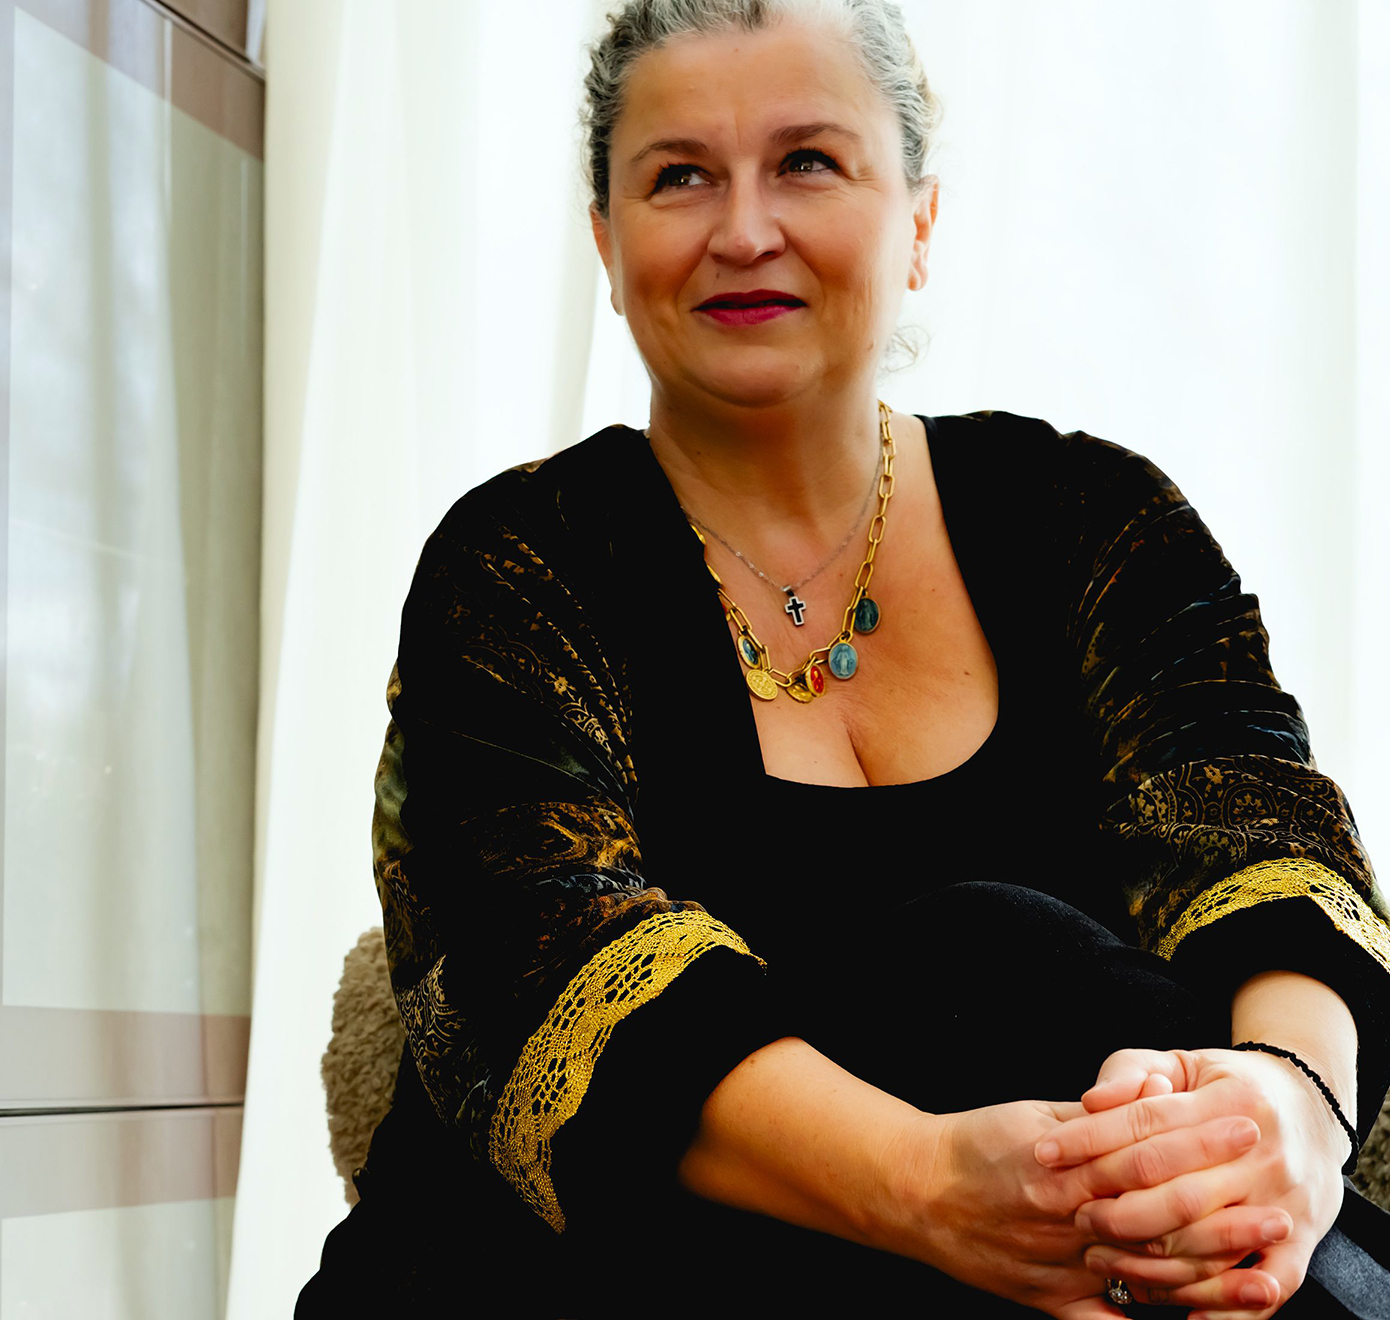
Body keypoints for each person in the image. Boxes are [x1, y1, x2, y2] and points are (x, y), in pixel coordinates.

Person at [297, 1, 1390, 1315]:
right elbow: (539, 972)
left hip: (1093, 1263)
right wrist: (931, 1187)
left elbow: (1262, 846)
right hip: (605, 1268)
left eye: (807, 161)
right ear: (606, 241)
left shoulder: (1097, 520)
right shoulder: (518, 563)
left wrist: (1286, 1117)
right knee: (983, 945)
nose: (743, 230)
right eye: (679, 177)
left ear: (918, 220)